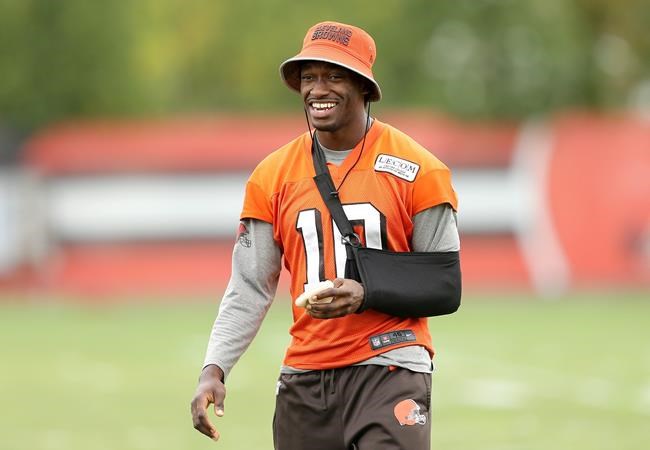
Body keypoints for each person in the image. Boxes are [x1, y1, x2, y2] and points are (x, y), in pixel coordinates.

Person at [191, 21, 461, 450]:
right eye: (309, 77)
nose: (318, 89)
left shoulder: (420, 170)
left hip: (390, 364)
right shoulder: (271, 176)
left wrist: (365, 291)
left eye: (334, 76)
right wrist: (215, 368)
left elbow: (445, 284)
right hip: (306, 376)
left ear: (364, 88)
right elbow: (249, 286)